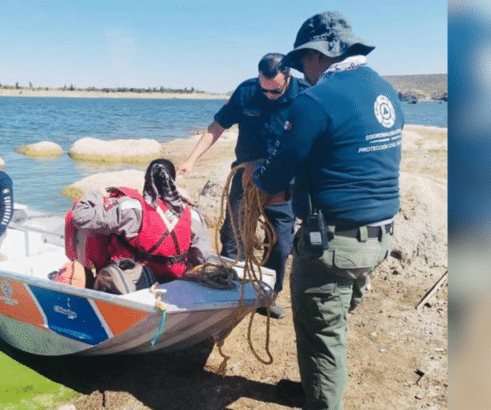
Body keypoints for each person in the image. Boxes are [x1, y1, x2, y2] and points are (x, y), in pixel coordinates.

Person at [251, 11, 403, 410]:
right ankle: (315, 389)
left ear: (321, 55)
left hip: (333, 244)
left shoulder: (315, 101)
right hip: (379, 237)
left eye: (303, 60)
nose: (303, 69)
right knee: (332, 323)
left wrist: (259, 176)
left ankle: (321, 400)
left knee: (321, 332)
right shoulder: (385, 91)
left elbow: (274, 176)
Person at [179, 53, 311, 319]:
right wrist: (191, 160)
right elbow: (217, 126)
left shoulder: (306, 96)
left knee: (281, 243)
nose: (268, 94)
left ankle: (266, 296)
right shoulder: (247, 92)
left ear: (288, 77)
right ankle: (228, 290)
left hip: (283, 181)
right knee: (233, 236)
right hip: (246, 176)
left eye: (274, 90)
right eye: (264, 88)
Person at [70, 158, 215, 283]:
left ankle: (88, 275)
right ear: (173, 181)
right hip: (173, 279)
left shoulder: (133, 209)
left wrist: (97, 194)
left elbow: (80, 217)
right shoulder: (193, 215)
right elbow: (201, 257)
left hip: (133, 279)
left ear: (147, 179)